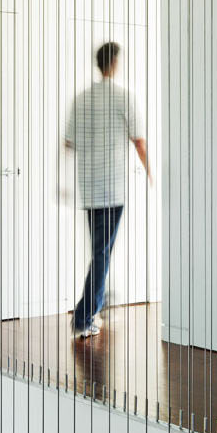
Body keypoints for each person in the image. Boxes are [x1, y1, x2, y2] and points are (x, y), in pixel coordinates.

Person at [64, 40, 152, 338]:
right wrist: (151, 172)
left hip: (89, 187)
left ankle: (95, 305)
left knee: (100, 250)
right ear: (114, 63)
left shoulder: (81, 99)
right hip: (113, 189)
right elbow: (138, 140)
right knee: (102, 252)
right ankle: (84, 315)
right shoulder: (124, 97)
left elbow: (69, 143)